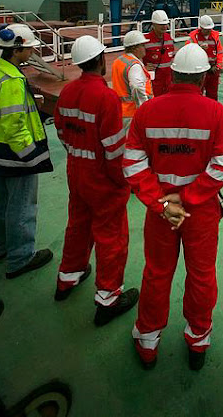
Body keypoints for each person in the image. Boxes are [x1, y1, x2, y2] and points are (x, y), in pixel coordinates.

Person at [124, 43, 223, 371]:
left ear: (172, 75)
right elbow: (222, 166)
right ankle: (198, 339)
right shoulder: (216, 113)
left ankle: (147, 339)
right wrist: (186, 198)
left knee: (157, 273)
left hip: (160, 212)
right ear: (202, 78)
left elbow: (132, 163)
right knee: (201, 275)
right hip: (200, 212)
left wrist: (161, 202)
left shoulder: (147, 112)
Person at [54, 36, 139, 324]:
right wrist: (121, 182)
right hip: (102, 179)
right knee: (111, 237)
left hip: (76, 172)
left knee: (77, 225)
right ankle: (108, 299)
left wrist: (78, 154)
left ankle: (68, 277)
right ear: (101, 60)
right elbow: (113, 149)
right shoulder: (106, 97)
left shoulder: (67, 92)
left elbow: (62, 133)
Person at [0, 24, 53, 279]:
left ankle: (0, 247)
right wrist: (30, 156)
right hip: (14, 155)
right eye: (28, 49)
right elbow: (14, 124)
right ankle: (20, 258)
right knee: (22, 205)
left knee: (0, 200)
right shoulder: (12, 81)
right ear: (16, 50)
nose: (32, 52)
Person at [112, 30, 153, 129]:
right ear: (135, 48)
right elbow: (137, 86)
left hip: (121, 111)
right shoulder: (134, 65)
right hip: (132, 113)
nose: (145, 48)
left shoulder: (119, 61)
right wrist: (143, 109)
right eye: (142, 45)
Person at [186, 15, 223, 100]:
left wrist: (218, 67)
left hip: (213, 70)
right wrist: (198, 48)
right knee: (197, 93)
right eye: (206, 29)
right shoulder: (194, 38)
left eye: (210, 29)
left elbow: (220, 53)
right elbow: (188, 52)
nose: (208, 31)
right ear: (201, 28)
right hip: (199, 71)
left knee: (213, 94)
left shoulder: (215, 38)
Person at [143, 10, 175, 96]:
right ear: (153, 24)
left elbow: (172, 58)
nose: (164, 27)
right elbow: (136, 61)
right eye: (161, 24)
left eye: (165, 24)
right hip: (153, 84)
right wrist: (143, 68)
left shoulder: (169, 39)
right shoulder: (145, 40)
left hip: (168, 83)